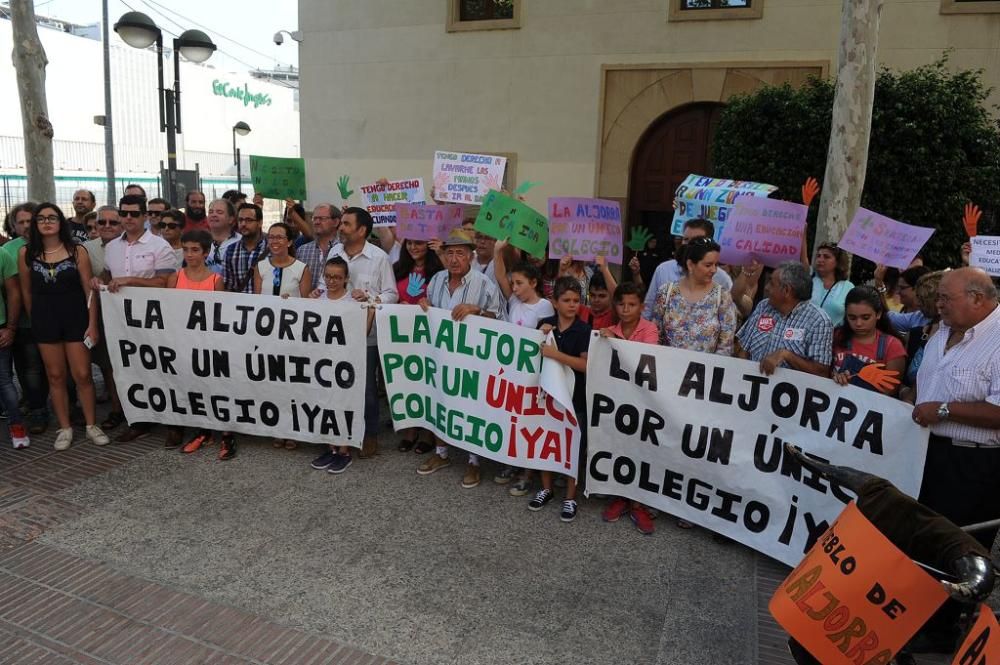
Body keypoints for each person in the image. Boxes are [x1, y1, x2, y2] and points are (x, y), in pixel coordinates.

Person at [913, 268, 1000, 551]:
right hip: (925, 453)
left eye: (945, 298)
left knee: (955, 550)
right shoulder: (941, 331)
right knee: (919, 542)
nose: (938, 304)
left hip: (971, 466)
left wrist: (942, 410)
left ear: (976, 299)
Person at [416, 228, 505, 485]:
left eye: (460, 253)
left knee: (471, 407)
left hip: (472, 359)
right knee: (439, 400)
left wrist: (476, 310)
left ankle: (473, 462)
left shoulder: (484, 283)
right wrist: (424, 305)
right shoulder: (436, 280)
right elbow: (430, 308)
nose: (454, 259)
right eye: (450, 253)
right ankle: (441, 453)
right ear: (443, 256)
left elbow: (500, 319)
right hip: (440, 355)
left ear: (470, 257)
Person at [18, 203, 108, 451]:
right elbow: (27, 292)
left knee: (82, 374)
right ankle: (65, 427)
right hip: (45, 322)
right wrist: (35, 319)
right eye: (41, 218)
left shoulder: (77, 251)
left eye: (52, 217)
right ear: (35, 223)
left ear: (61, 222)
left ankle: (91, 425)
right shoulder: (26, 253)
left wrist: (92, 325)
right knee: (55, 376)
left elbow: (89, 291)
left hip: (76, 320)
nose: (47, 222)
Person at [98, 194, 178, 442]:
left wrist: (131, 281)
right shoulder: (111, 247)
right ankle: (140, 420)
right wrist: (98, 280)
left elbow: (164, 283)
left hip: (155, 318)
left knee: (163, 368)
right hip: (123, 321)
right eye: (124, 213)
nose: (128, 218)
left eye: (134, 213)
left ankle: (174, 422)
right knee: (132, 368)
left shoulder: (159, 245)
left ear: (145, 216)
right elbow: (108, 276)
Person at [324, 207, 398, 458]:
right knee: (335, 383)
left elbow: (391, 294)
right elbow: (327, 283)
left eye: (346, 224)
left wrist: (370, 298)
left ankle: (369, 435)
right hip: (333, 334)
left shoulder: (379, 258)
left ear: (362, 230)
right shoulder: (334, 252)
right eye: (341, 223)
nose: (340, 228)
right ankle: (339, 432)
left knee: (365, 388)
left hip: (366, 336)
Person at [492, 242, 555, 493]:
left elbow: (546, 336)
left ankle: (528, 474)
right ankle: (512, 462)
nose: (514, 288)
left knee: (528, 422)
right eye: (513, 283)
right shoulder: (514, 301)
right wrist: (499, 251)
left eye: (519, 283)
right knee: (510, 419)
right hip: (511, 371)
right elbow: (499, 275)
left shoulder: (544, 307)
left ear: (534, 283)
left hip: (532, 374)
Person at [163, 230, 233, 457]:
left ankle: (225, 434)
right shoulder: (175, 277)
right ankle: (202, 430)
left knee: (215, 388)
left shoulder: (216, 280)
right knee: (191, 387)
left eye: (195, 250)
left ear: (205, 252)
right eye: (185, 249)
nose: (190, 254)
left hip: (209, 345)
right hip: (183, 345)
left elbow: (221, 316)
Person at [599, 282, 660, 534]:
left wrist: (617, 343)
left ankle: (638, 503)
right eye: (621, 304)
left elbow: (647, 356)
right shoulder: (608, 330)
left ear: (641, 307)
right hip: (616, 401)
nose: (626, 309)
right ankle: (621, 496)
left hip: (643, 401)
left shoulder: (649, 329)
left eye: (632, 304)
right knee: (618, 448)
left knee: (641, 450)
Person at [529, 277, 591, 522]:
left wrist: (556, 355)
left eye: (576, 300)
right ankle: (546, 488)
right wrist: (539, 336)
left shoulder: (584, 330)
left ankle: (570, 496)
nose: (572, 305)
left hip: (575, 398)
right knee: (546, 440)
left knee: (572, 445)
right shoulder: (544, 324)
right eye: (566, 300)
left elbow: (585, 365)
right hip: (547, 395)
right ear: (554, 302)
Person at [308, 257, 363, 474]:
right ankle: (331, 447)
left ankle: (344, 451)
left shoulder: (353, 302)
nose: (332, 281)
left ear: (346, 279)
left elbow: (363, 331)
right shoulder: (317, 299)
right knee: (325, 403)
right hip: (321, 362)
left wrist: (369, 308)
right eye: (328, 276)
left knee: (343, 404)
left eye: (337, 277)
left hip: (345, 363)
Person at [736, 261, 833, 377]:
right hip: (751, 387)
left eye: (771, 283)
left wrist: (786, 355)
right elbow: (744, 350)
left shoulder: (819, 321)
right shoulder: (763, 306)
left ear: (786, 290)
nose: (766, 288)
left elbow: (821, 372)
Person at [3, 203, 48, 434]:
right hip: (22, 322)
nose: (26, 226)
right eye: (20, 222)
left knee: (53, 368)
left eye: (30, 221)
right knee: (28, 369)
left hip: (51, 319)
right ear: (13, 226)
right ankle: (38, 409)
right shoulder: (9, 250)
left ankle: (66, 406)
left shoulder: (52, 245)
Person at [650, 236, 737, 355]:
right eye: (708, 265)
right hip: (666, 368)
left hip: (705, 371)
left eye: (716, 265)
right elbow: (654, 335)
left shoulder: (722, 297)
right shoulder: (666, 292)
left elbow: (726, 346)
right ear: (690, 265)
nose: (714, 270)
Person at [84, 206, 126, 426]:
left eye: (113, 222)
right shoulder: (85, 250)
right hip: (102, 316)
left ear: (122, 224)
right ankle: (117, 410)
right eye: (102, 222)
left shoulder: (131, 246)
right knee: (109, 366)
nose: (107, 227)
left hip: (133, 318)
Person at [642, 218, 732, 319]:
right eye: (686, 239)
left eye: (696, 240)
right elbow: (648, 311)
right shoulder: (663, 270)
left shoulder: (721, 278)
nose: (689, 245)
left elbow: (728, 320)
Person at [830, 286, 906, 395]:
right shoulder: (836, 336)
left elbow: (890, 393)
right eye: (852, 317)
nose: (858, 323)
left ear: (878, 314)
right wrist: (834, 378)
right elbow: (821, 372)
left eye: (865, 317)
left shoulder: (892, 346)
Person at [0, 209, 25, 448]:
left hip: (0, 327)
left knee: (4, 380)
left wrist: (10, 327)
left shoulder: (2, 255)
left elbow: (14, 293)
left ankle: (17, 427)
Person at [900, 271, 945, 402]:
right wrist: (904, 393)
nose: (917, 303)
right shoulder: (916, 334)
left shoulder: (960, 338)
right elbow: (901, 378)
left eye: (922, 298)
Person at [253, 222, 310, 299]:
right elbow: (257, 300)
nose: (275, 241)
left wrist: (291, 300)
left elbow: (306, 303)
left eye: (279, 237)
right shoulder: (260, 267)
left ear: (289, 242)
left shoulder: (302, 269)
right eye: (271, 237)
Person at [224, 203, 267, 294]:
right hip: (239, 306)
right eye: (240, 220)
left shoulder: (271, 249)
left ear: (260, 223)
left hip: (267, 305)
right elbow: (227, 287)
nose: (243, 224)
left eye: (249, 220)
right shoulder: (231, 250)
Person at [297, 203, 342, 290]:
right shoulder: (302, 250)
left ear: (336, 222)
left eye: (322, 219)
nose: (317, 222)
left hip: (336, 302)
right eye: (314, 218)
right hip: (306, 302)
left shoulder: (344, 250)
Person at [878, 265, 932, 335]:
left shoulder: (942, 321)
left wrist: (880, 285)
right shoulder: (916, 317)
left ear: (918, 288)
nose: (898, 292)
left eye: (902, 288)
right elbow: (887, 318)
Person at [810, 242, 854, 327]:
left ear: (838, 262)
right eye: (818, 256)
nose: (820, 259)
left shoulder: (848, 287)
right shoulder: (809, 280)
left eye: (826, 257)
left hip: (834, 337)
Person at [394, 237, 443, 306]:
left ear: (430, 244)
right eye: (409, 243)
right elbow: (389, 294)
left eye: (418, 243)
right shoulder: (397, 268)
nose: (413, 247)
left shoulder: (440, 271)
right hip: (398, 315)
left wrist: (441, 254)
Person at [205, 199, 240, 277]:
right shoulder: (200, 240)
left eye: (219, 212)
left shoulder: (241, 243)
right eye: (210, 212)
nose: (214, 215)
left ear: (231, 219)